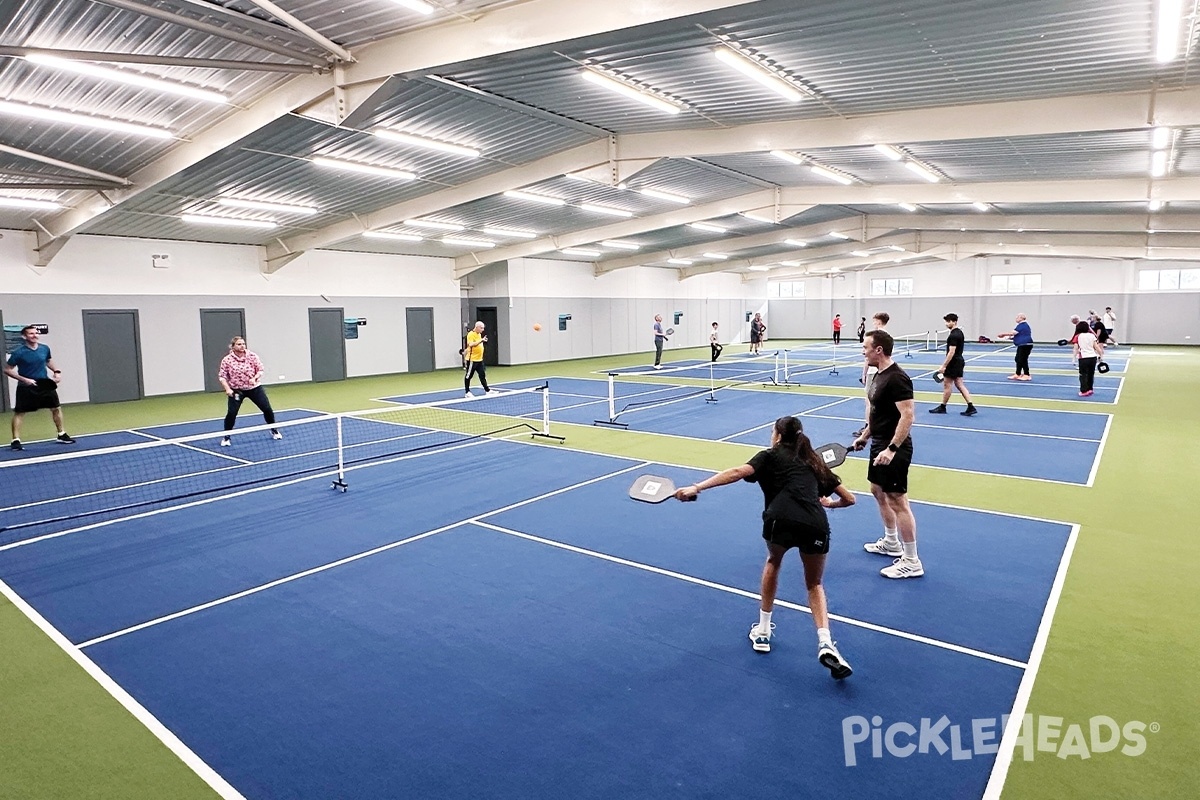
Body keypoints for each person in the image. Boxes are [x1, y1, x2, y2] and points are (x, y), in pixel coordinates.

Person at [674, 416, 856, 679]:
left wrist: (696, 487)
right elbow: (850, 499)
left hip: (779, 521)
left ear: (777, 435)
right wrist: (829, 505)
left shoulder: (768, 456)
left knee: (774, 562)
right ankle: (826, 643)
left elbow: (737, 473)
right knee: (814, 584)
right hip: (814, 524)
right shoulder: (814, 463)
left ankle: (763, 631)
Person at [852, 330, 923, 579]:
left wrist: (892, 449)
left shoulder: (897, 378)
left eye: (866, 347)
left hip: (895, 447)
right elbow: (879, 414)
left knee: (897, 500)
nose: (863, 351)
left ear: (879, 350)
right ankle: (892, 542)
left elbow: (908, 416)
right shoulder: (878, 376)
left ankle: (912, 560)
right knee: (877, 490)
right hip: (878, 442)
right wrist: (866, 435)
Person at [4, 325, 75, 451]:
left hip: (45, 384)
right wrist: (25, 380)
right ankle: (15, 440)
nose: (35, 335)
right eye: (31, 333)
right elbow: (7, 370)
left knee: (56, 409)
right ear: (24, 336)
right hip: (26, 386)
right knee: (20, 413)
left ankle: (61, 434)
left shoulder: (44, 348)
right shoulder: (18, 352)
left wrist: (56, 371)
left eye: (36, 333)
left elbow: (48, 360)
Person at [217, 336, 281, 446]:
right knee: (231, 413)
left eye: (243, 344)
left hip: (254, 388)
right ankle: (226, 438)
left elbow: (260, 369)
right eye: (239, 344)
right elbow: (222, 376)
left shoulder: (252, 356)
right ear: (233, 347)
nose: (242, 346)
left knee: (267, 409)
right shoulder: (227, 360)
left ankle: (274, 430)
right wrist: (227, 389)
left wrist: (255, 378)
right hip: (236, 391)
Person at [929, 313, 977, 416]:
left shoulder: (954, 335)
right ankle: (971, 406)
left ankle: (943, 407)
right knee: (959, 384)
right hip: (959, 361)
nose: (946, 324)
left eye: (948, 321)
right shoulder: (960, 333)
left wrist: (944, 366)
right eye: (946, 321)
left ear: (954, 322)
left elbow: (951, 352)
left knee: (947, 384)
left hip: (953, 362)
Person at [855, 312, 889, 436]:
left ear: (878, 321)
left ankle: (868, 427)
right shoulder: (888, 337)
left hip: (873, 371)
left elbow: (867, 356)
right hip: (884, 370)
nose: (873, 323)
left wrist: (863, 374)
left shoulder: (874, 336)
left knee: (869, 401)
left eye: (874, 321)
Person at [997, 313, 1034, 381]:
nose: (1016, 318)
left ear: (1021, 318)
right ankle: (1018, 373)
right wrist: (1007, 337)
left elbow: (1013, 333)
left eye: (1017, 317)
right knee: (1018, 359)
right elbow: (1016, 335)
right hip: (1022, 344)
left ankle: (1027, 375)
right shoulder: (1021, 326)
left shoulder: (1023, 325)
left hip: (1025, 344)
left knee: (1023, 359)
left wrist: (1003, 334)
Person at [1073, 320, 1102, 397]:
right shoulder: (1092, 336)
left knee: (1083, 375)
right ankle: (1090, 389)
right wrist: (1101, 355)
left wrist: (1073, 358)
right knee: (1091, 374)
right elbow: (1096, 347)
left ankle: (1084, 391)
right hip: (1093, 357)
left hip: (1083, 358)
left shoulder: (1077, 336)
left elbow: (1076, 348)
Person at [464, 321, 494, 394]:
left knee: (482, 375)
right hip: (472, 360)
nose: (482, 329)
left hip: (479, 360)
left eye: (483, 328)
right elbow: (471, 344)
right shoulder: (470, 334)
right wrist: (481, 341)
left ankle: (487, 390)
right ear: (476, 327)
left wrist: (482, 340)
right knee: (469, 376)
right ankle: (467, 392)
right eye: (481, 328)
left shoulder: (479, 334)